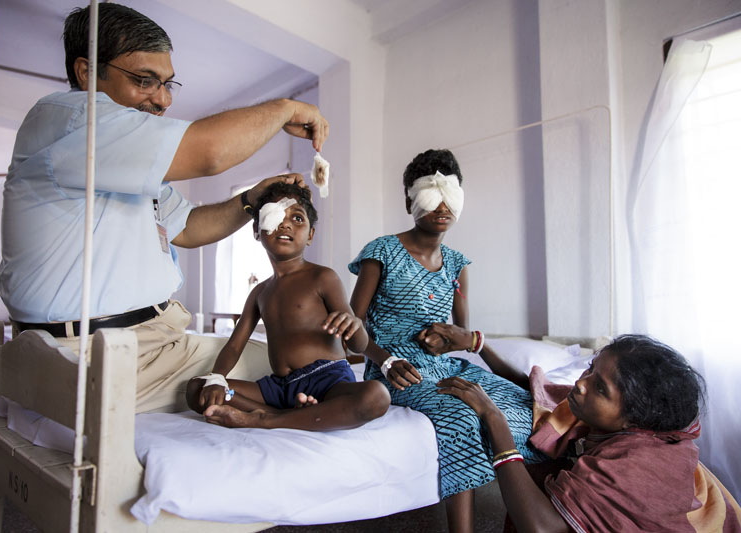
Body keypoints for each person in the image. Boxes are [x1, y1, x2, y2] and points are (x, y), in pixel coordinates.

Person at [0, 4, 329, 413]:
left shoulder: (124, 162)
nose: (163, 99)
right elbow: (210, 153)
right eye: (145, 80)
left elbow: (187, 227)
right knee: (310, 373)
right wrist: (286, 109)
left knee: (304, 368)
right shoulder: (74, 119)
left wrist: (251, 199)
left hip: (149, 345)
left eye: (168, 84)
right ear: (86, 72)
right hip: (100, 354)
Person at [348, 148, 547, 533]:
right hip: (398, 370)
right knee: (459, 416)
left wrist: (450, 341)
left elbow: (461, 336)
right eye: (430, 196)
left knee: (527, 403)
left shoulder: (457, 263)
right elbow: (352, 327)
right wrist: (385, 359)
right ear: (410, 200)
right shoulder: (382, 252)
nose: (443, 206)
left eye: (450, 196)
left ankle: (534, 513)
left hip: (448, 365)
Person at [438, 334, 741, 532]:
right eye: (592, 368)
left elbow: (541, 528)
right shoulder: (614, 417)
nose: (581, 383)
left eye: (600, 387)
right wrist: (478, 344)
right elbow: (536, 393)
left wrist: (495, 421)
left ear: (633, 419)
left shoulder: (637, 465)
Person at [185, 182, 390, 430]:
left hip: (328, 382)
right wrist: (218, 378)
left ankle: (265, 419)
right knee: (198, 388)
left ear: (311, 234)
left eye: (297, 218)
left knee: (376, 396)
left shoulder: (323, 277)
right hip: (280, 389)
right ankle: (286, 414)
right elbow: (234, 345)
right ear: (257, 231)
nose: (285, 224)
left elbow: (358, 345)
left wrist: (355, 324)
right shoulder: (259, 292)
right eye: (275, 216)